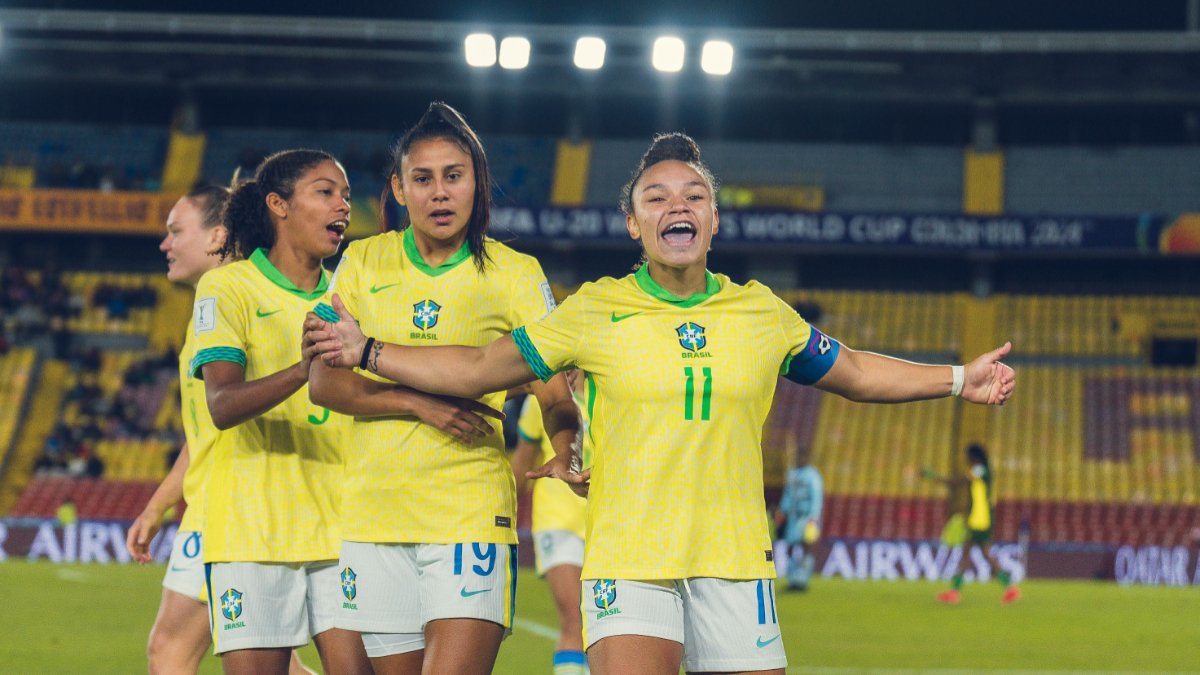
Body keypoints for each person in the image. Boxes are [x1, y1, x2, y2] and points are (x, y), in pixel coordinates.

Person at [304, 132, 1016, 675]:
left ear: (713, 221)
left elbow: (856, 371)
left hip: (736, 559)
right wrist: (367, 350)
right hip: (630, 562)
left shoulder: (760, 313)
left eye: (694, 195)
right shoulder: (592, 311)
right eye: (657, 196)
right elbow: (478, 366)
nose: (677, 204)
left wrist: (958, 378)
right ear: (633, 224)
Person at [306, 101, 580, 675]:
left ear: (476, 183)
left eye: (453, 177)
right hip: (373, 514)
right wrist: (417, 403)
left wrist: (565, 445)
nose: (439, 193)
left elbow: (552, 386)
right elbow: (325, 386)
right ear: (399, 189)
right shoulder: (359, 262)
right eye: (422, 179)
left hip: (468, 509)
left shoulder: (515, 273)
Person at [191, 149, 370, 675]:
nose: (343, 206)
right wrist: (302, 369)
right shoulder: (227, 288)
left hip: (345, 531)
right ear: (279, 204)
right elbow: (222, 405)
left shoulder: (352, 297)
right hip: (252, 531)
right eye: (325, 191)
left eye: (347, 196)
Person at [125, 184, 314, 675]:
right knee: (277, 660)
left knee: (170, 650)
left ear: (219, 235)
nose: (165, 244)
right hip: (221, 504)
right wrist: (158, 504)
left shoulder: (236, 300)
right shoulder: (211, 309)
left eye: (175, 231)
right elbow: (207, 429)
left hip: (231, 509)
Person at [509, 369, 590, 675]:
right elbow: (523, 461)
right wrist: (507, 517)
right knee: (574, 618)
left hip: (604, 520)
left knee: (603, 622)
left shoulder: (610, 394)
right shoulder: (541, 401)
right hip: (556, 518)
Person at [923, 443, 1021, 605]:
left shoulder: (981, 470)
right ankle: (1009, 588)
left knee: (969, 553)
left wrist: (933, 476)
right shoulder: (982, 472)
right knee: (981, 554)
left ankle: (955, 592)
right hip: (979, 518)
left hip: (979, 520)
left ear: (974, 457)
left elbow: (957, 482)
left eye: (968, 457)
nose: (966, 460)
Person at [775, 455, 823, 592]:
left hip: (807, 517)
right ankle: (793, 579)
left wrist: (814, 516)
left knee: (807, 546)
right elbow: (788, 495)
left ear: (807, 459)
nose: (800, 460)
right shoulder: (792, 475)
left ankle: (803, 580)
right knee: (789, 548)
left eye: (803, 458)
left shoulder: (813, 476)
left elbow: (816, 497)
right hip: (793, 517)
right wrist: (782, 510)